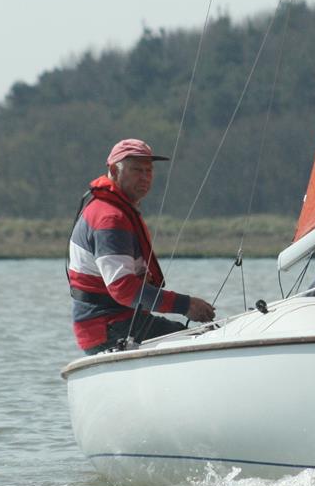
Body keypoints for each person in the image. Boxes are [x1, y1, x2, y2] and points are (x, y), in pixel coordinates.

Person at [68, 138, 215, 354]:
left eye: (149, 170)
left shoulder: (113, 210)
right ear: (114, 171)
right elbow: (123, 288)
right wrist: (186, 305)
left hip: (118, 323)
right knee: (205, 340)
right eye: (137, 170)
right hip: (109, 330)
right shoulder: (110, 218)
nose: (145, 177)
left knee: (205, 336)